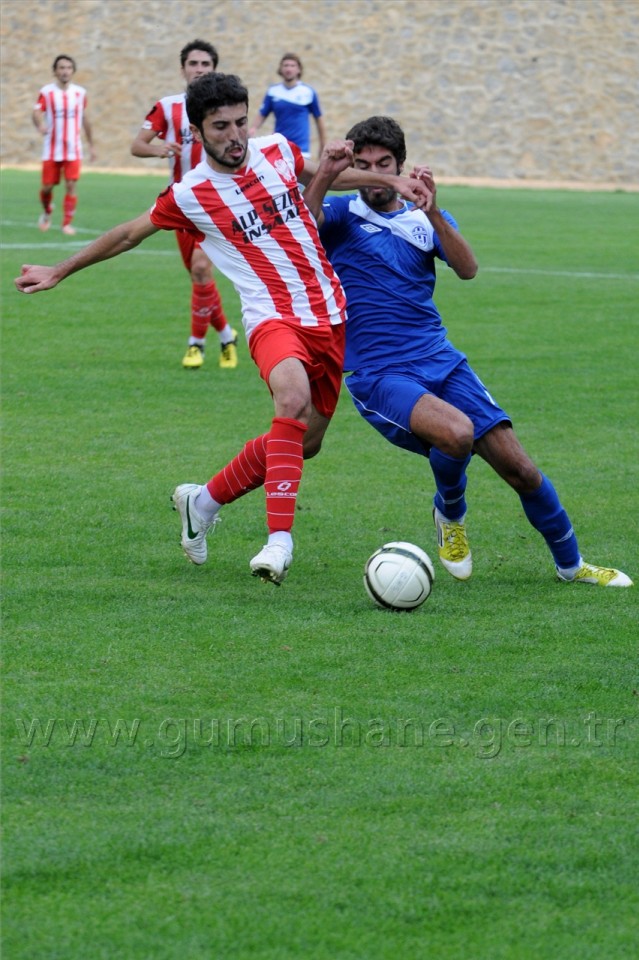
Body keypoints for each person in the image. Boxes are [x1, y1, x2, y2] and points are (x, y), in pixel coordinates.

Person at [15, 76, 431, 587]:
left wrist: (390, 182)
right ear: (197, 131)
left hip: (328, 314)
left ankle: (203, 500)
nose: (235, 135)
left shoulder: (276, 149)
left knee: (305, 442)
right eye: (221, 127)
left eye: (240, 122)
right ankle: (279, 542)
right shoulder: (191, 195)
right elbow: (127, 234)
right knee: (291, 400)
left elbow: (321, 174)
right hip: (270, 317)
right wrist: (60, 269)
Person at [304, 115, 632, 588]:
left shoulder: (421, 218)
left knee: (520, 468)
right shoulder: (339, 214)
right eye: (364, 164)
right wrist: (326, 174)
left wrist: (435, 210)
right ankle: (450, 514)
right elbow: (304, 221)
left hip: (440, 359)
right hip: (378, 372)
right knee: (456, 434)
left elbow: (468, 268)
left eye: (384, 163)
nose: (375, 173)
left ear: (401, 164)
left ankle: (572, 565)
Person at [131, 40, 238, 370]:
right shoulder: (168, 107)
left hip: (218, 203)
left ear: (214, 69)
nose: (199, 69)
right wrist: (160, 148)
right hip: (182, 204)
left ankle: (196, 345)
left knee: (202, 269)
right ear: (183, 69)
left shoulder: (226, 111)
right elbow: (137, 145)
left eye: (206, 64)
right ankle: (226, 335)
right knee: (199, 277)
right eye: (193, 64)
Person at [32, 54, 96, 236]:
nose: (65, 71)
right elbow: (36, 112)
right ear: (55, 71)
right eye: (61, 68)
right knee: (47, 187)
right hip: (51, 150)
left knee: (71, 185)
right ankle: (46, 211)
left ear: (73, 71)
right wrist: (40, 125)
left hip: (73, 149)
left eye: (68, 68)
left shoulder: (80, 93)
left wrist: (91, 145)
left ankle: (66, 223)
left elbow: (84, 119)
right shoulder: (47, 92)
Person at [248, 53, 326, 159]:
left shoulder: (308, 92)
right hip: (279, 148)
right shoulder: (273, 92)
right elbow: (262, 114)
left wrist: (322, 145)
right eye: (286, 65)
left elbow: (319, 120)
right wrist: (253, 129)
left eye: (292, 66)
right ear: (280, 69)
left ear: (299, 70)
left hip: (301, 150)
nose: (289, 69)